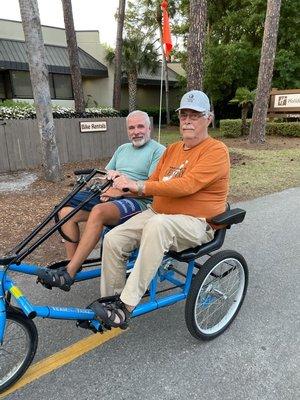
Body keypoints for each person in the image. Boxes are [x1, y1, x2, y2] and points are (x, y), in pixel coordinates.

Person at [88, 90, 231, 329]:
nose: (187, 120)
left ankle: (126, 306)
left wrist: (138, 184)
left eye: (195, 115)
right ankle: (111, 300)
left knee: (158, 225)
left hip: (196, 221)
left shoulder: (216, 151)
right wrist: (121, 188)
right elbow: (153, 184)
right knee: (113, 238)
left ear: (209, 118)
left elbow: (188, 185)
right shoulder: (173, 149)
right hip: (158, 213)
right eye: (184, 115)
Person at [38, 110, 165, 291]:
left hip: (139, 202)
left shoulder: (158, 151)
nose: (136, 131)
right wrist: (105, 187)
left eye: (140, 126)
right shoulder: (122, 149)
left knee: (98, 212)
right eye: (131, 127)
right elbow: (107, 175)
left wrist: (120, 192)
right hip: (111, 195)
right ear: (127, 131)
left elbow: (151, 187)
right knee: (65, 211)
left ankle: (69, 274)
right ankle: (73, 263)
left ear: (149, 128)